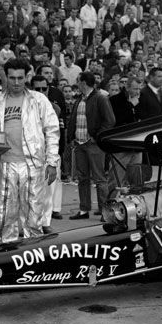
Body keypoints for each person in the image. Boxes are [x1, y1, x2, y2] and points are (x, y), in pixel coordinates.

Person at [0, 58, 60, 243]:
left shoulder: (38, 100)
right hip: (5, 164)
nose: (16, 82)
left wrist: (52, 162)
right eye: (12, 78)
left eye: (20, 78)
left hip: (33, 165)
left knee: (33, 216)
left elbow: (52, 131)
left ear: (26, 77)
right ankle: (6, 254)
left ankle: (33, 257)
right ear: (5, 77)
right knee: (6, 216)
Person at [67, 71, 116, 220]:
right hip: (80, 144)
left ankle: (104, 210)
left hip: (93, 144)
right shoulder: (79, 100)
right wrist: (71, 138)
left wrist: (97, 137)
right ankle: (84, 209)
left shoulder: (100, 99)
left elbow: (110, 121)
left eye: (78, 81)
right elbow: (73, 121)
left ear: (83, 82)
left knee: (99, 178)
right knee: (82, 178)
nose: (77, 84)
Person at [31, 75, 64, 233]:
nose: (41, 91)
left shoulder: (55, 108)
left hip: (49, 154)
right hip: (29, 154)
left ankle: (45, 223)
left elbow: (57, 133)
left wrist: (55, 157)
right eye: (37, 89)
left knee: (48, 192)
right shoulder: (24, 106)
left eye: (44, 88)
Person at [107, 76, 142, 194]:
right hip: (120, 146)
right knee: (116, 178)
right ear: (127, 88)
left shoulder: (141, 100)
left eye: (139, 89)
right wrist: (131, 105)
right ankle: (111, 204)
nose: (137, 92)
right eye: (135, 89)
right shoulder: (115, 100)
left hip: (136, 145)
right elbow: (116, 120)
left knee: (135, 178)